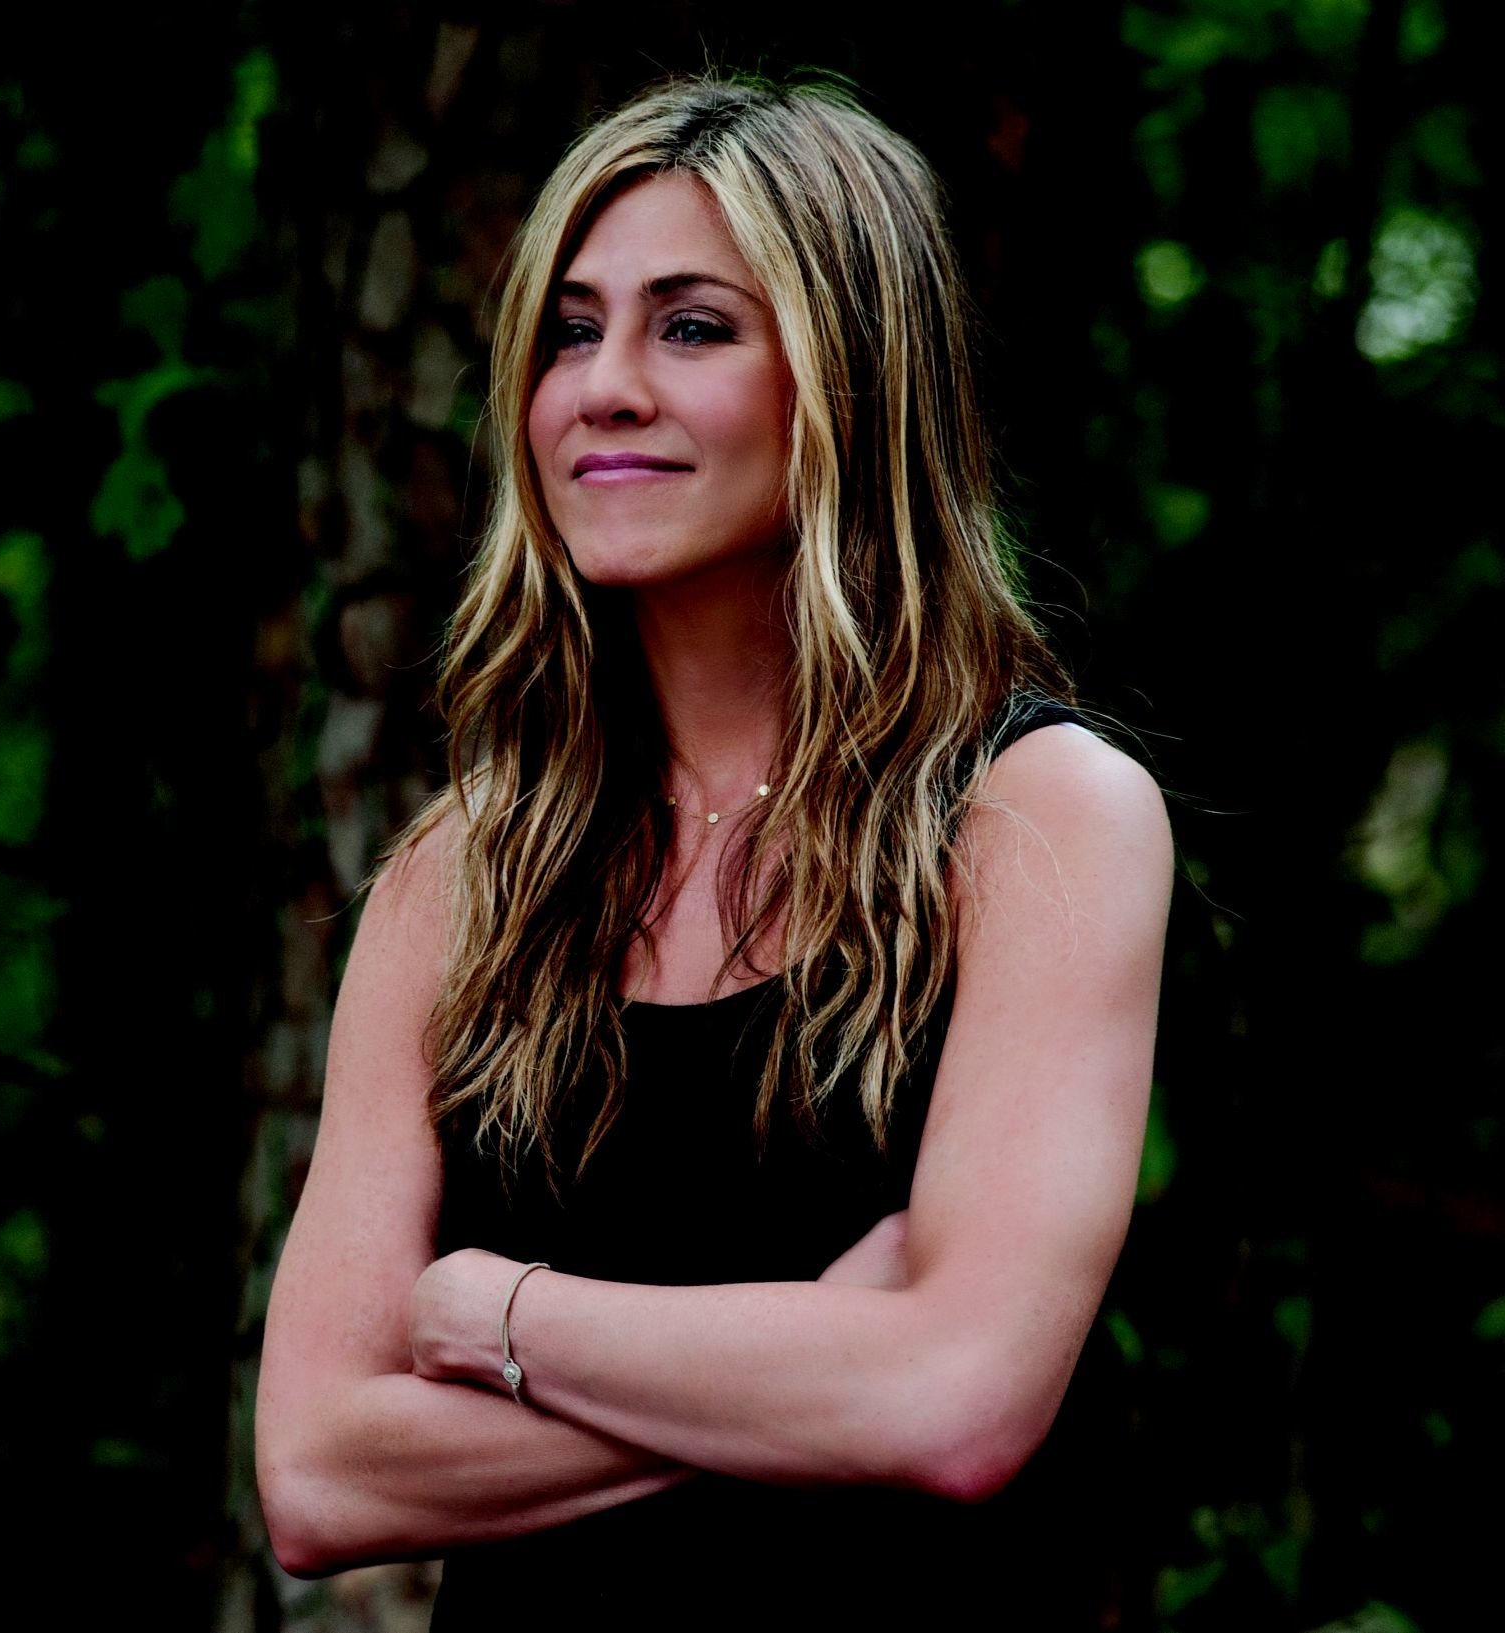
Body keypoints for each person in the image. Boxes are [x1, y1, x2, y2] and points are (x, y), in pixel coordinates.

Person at [255, 74, 1173, 1629]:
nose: (605, 386)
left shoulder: (1037, 819)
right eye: (570, 330)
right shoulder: (459, 878)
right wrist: (823, 1354)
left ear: (849, 383)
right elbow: (320, 1473)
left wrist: (498, 1311)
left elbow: (957, 1403)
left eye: (691, 327)